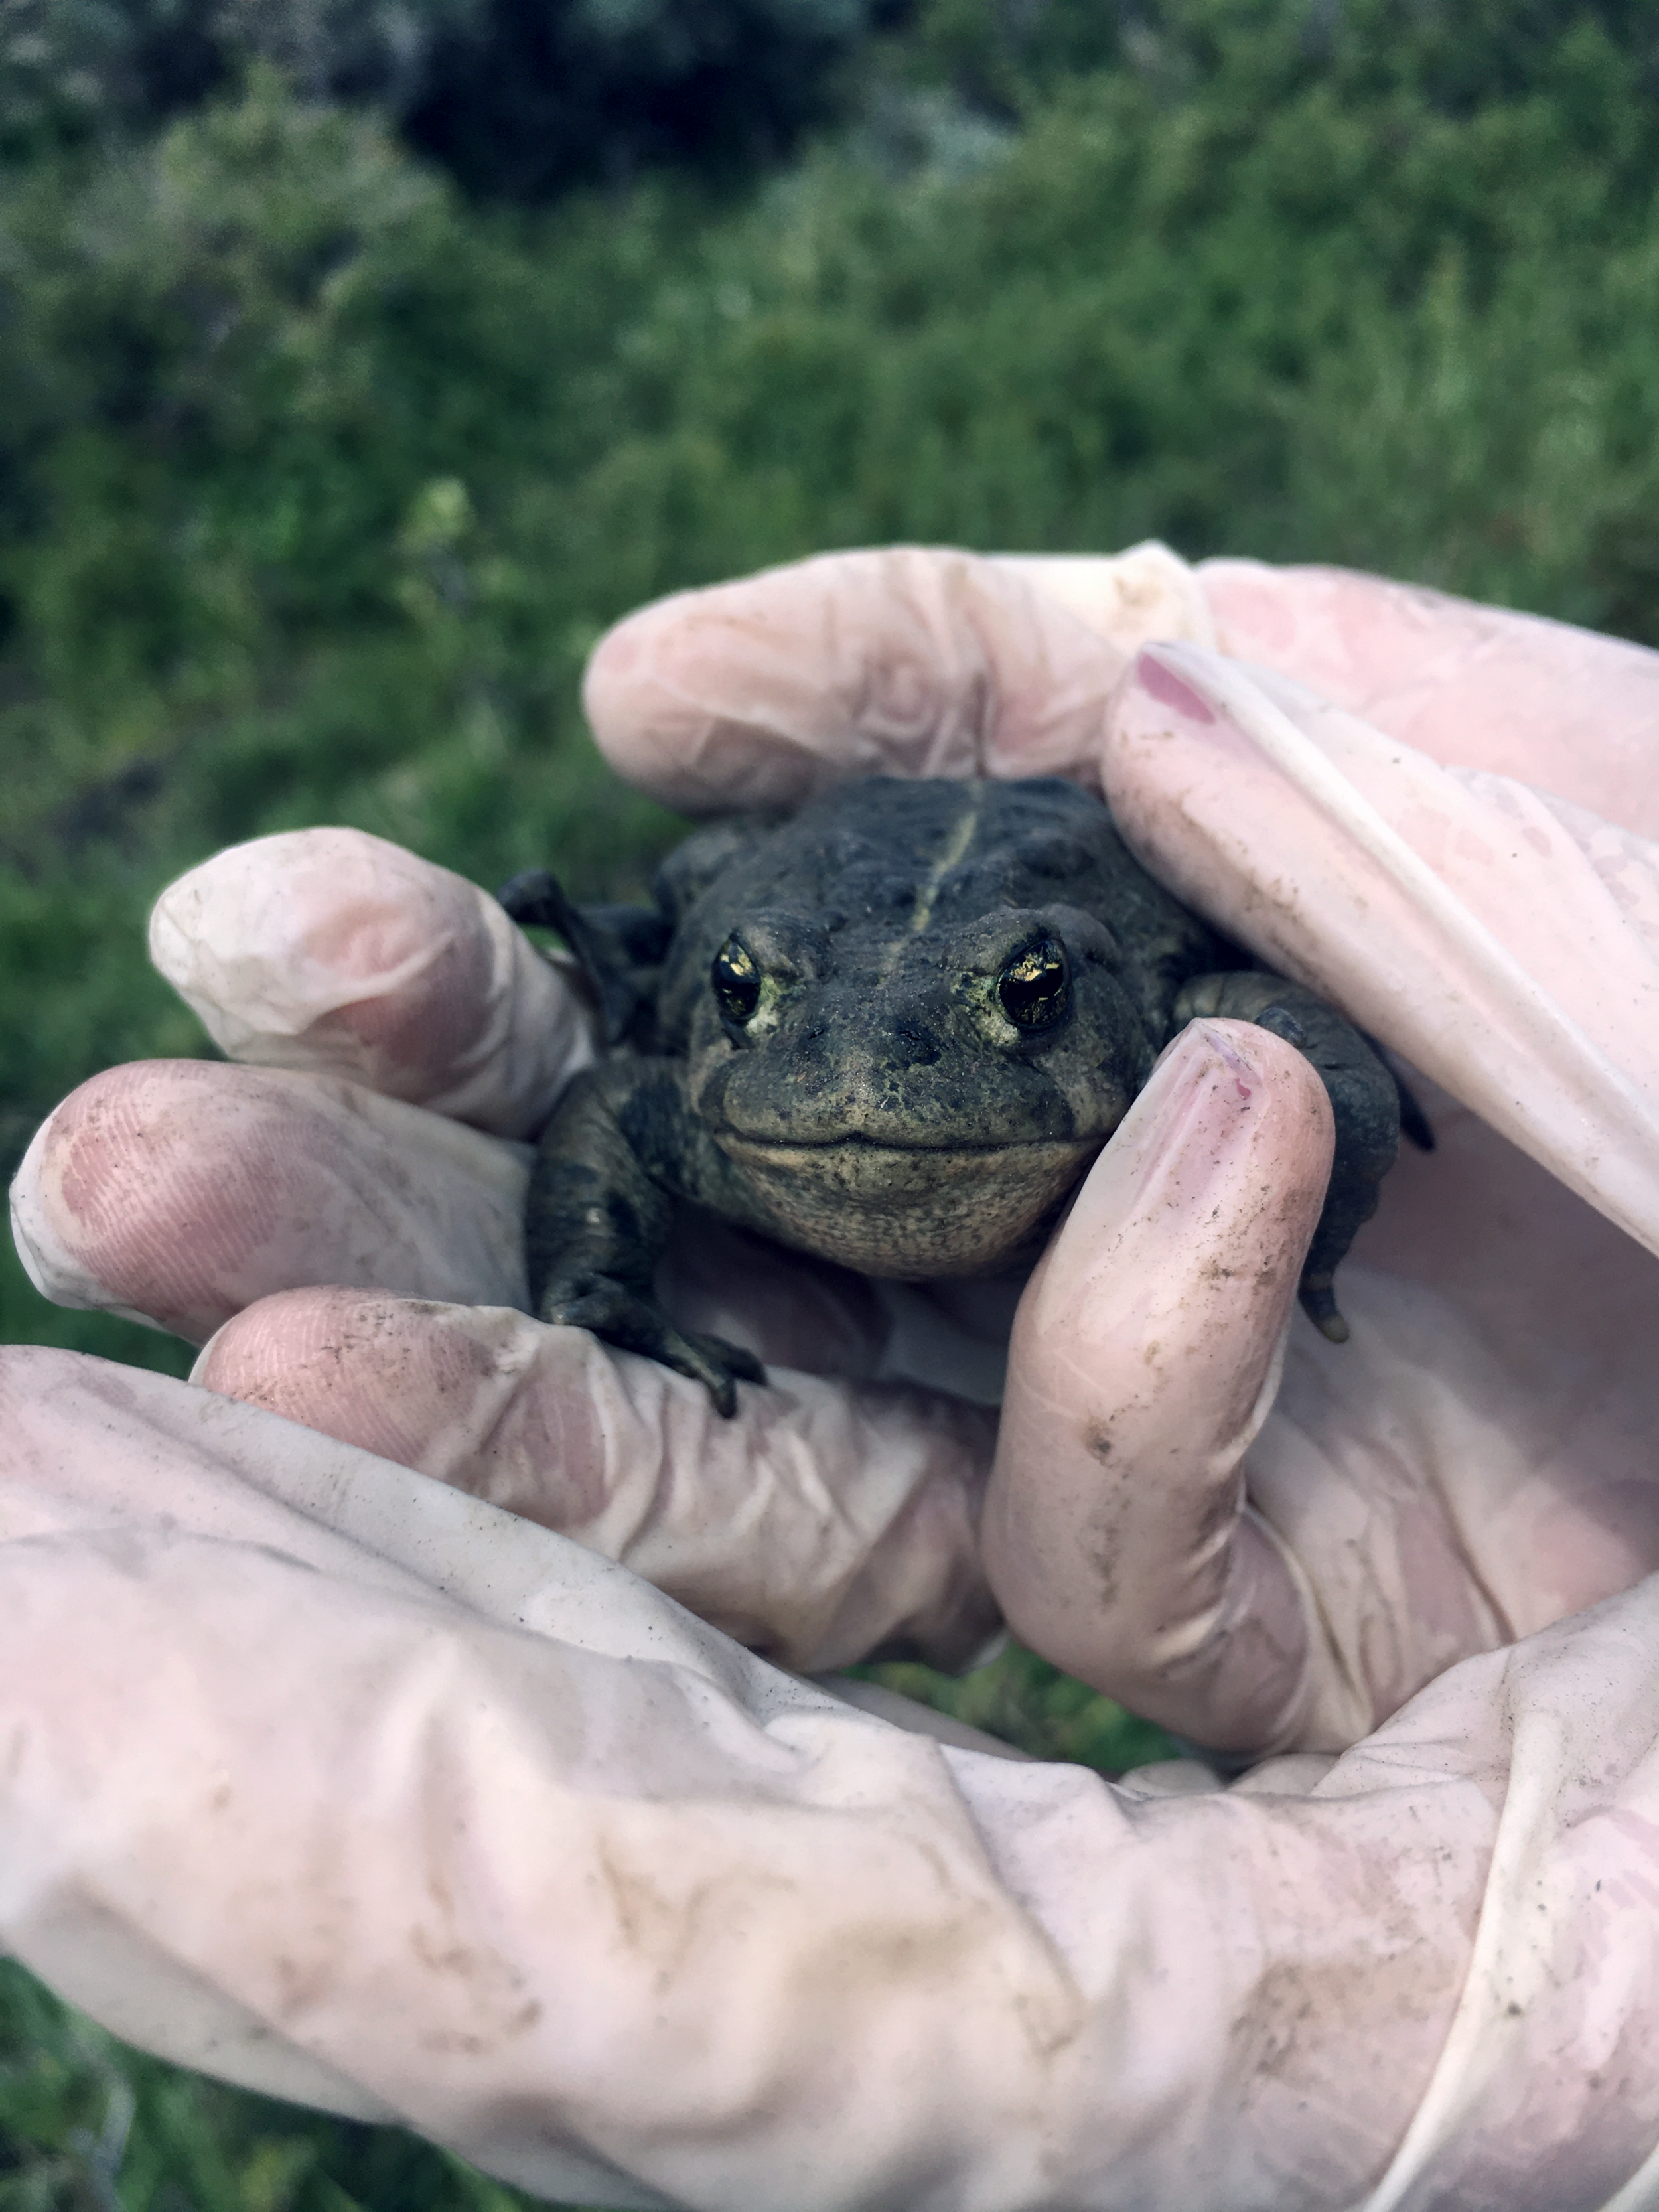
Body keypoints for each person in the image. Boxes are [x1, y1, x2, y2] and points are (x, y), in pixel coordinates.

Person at [7, 544, 1659, 2211]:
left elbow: (1286, 1026)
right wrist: (594, 1287)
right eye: (742, 1005)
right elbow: (617, 1104)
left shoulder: (1163, 1013)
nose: (866, 1083)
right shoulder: (699, 1103)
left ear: (1070, 999)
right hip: (811, 894)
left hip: (1053, 884)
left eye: (1025, 1004)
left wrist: (1323, 1211)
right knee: (679, 928)